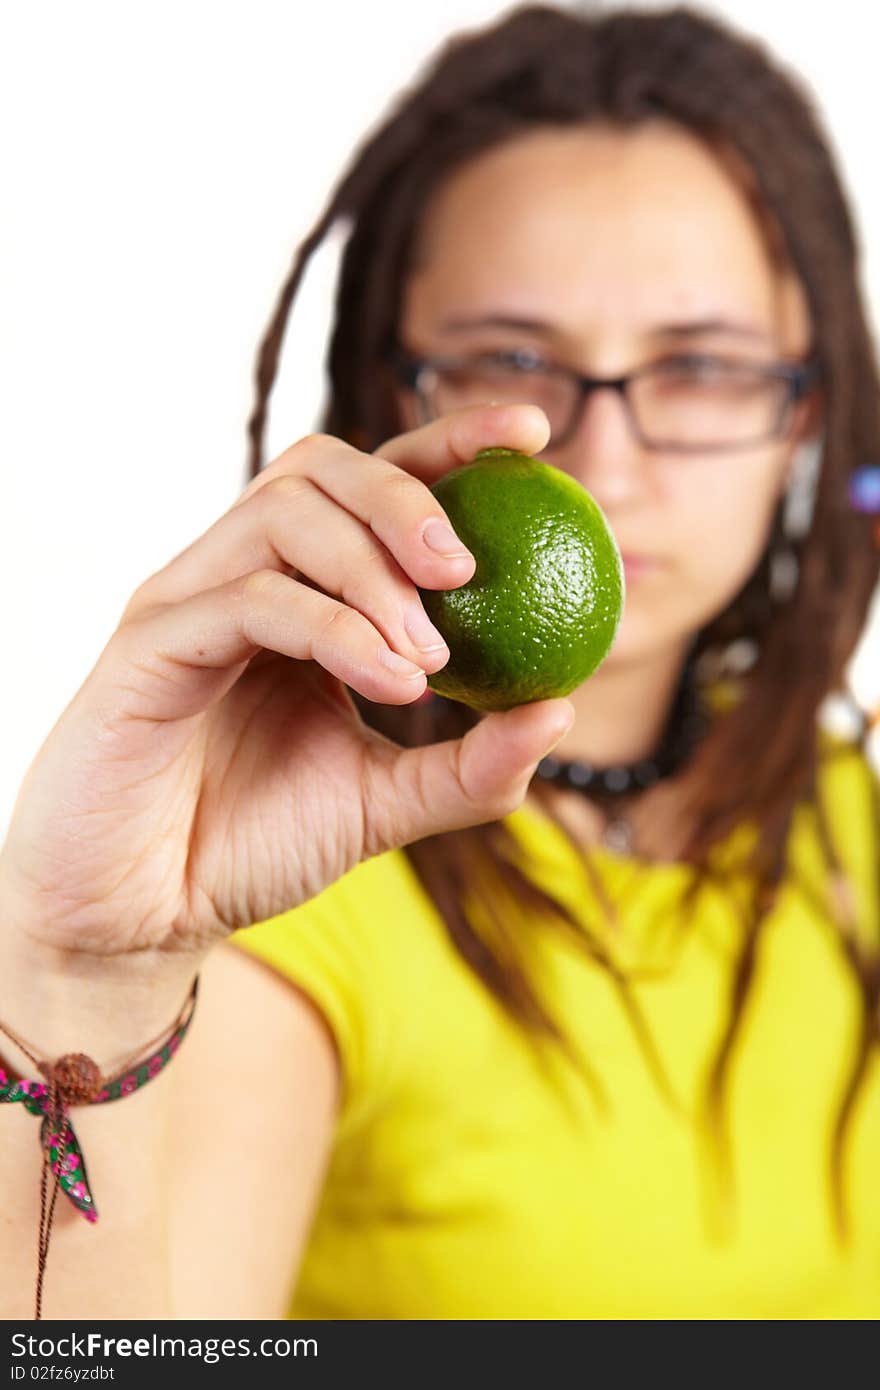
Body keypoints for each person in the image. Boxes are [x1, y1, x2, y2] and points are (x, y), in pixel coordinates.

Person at [1, 3, 878, 1321]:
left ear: (802, 410)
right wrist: (82, 968)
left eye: (697, 366)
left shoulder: (839, 810)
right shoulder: (284, 884)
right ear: (384, 384)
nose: (606, 466)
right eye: (515, 359)